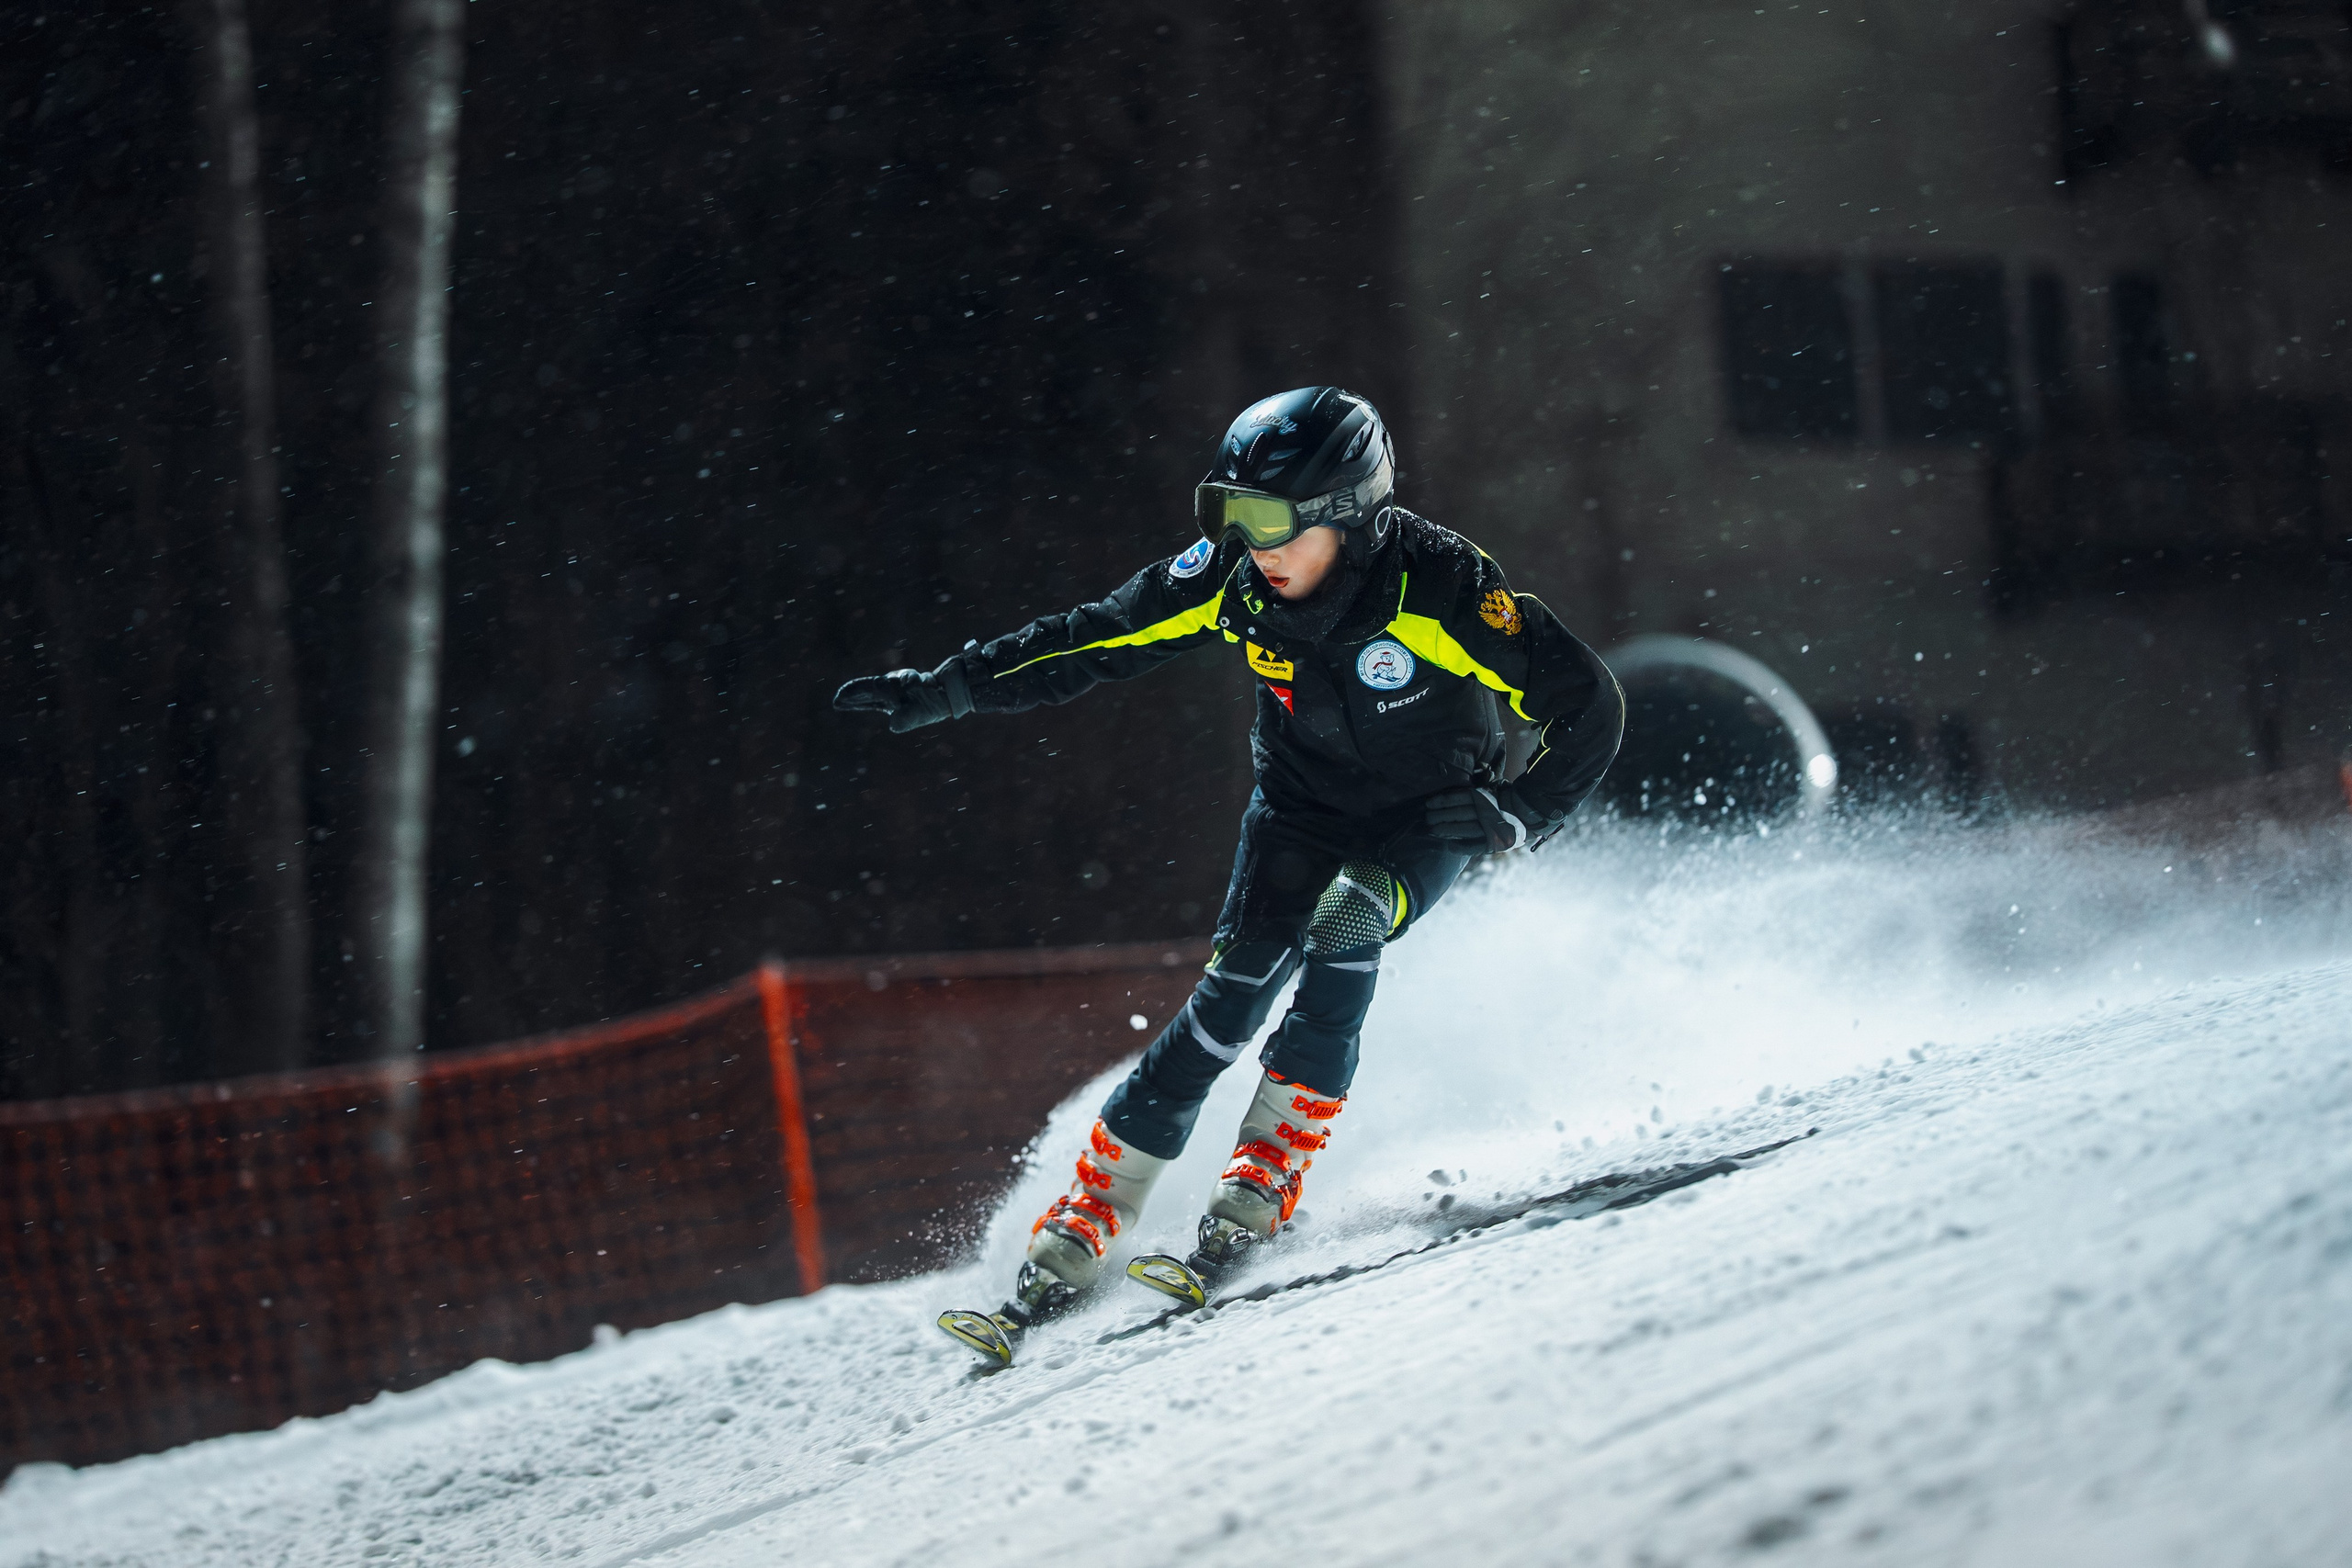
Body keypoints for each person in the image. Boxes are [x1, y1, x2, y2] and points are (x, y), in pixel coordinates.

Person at [834, 386, 1624, 1360]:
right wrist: (949, 688)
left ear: (1346, 513)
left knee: (1347, 922)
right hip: (1298, 811)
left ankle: (1265, 1172)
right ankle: (1089, 1215)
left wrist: (1520, 809)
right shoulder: (1232, 579)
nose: (1251, 544)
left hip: (1421, 821)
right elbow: (1094, 637)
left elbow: (1586, 701)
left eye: (1268, 521)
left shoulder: (1438, 583)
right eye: (1227, 514)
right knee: (1229, 998)